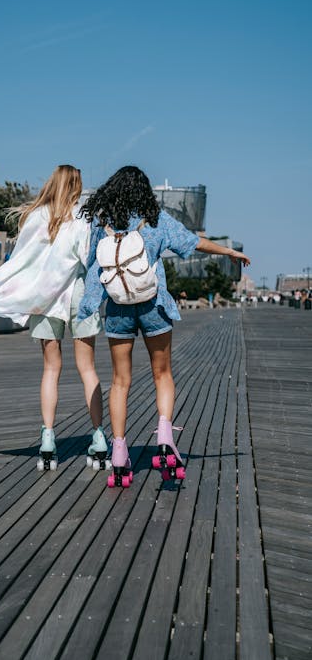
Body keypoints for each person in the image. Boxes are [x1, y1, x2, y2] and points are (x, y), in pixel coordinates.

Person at [78, 165, 251, 487]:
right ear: (144, 192)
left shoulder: (101, 225)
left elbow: (91, 267)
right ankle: (165, 434)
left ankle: (118, 451)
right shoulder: (155, 219)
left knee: (120, 381)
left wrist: (88, 305)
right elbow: (193, 243)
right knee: (162, 374)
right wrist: (228, 251)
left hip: (118, 309)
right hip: (154, 306)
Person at [0, 165, 108, 471]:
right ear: (76, 186)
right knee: (87, 368)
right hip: (79, 297)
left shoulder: (35, 216)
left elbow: (22, 260)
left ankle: (48, 437)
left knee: (51, 369)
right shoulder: (83, 218)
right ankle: (98, 436)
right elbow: (87, 258)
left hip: (45, 300)